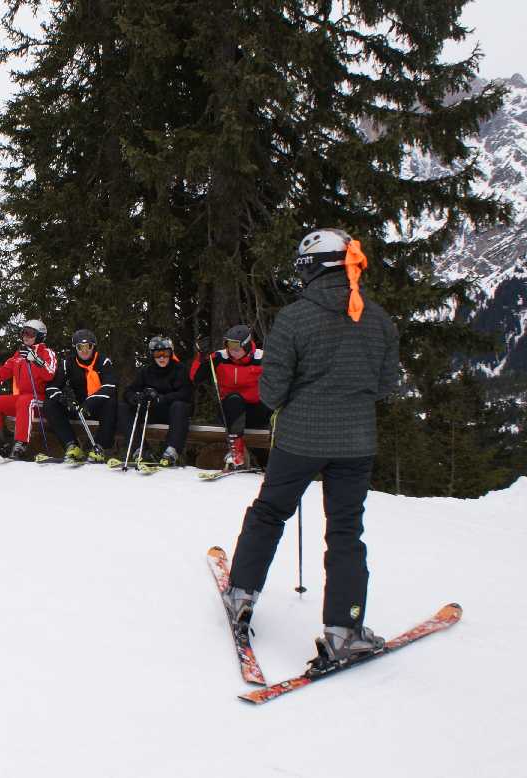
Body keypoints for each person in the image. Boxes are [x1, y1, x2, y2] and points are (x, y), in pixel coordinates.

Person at [224, 228, 400, 667]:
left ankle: (241, 593)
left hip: (301, 438)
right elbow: (386, 385)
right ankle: (344, 630)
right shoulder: (377, 318)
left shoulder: (295, 318)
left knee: (269, 512)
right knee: (346, 531)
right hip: (356, 440)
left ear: (313, 268)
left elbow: (271, 392)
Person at [0, 319, 57, 460]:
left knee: (25, 401)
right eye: (23, 332)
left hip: (41, 399)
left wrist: (35, 359)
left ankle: (21, 444)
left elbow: (50, 373)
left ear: (40, 336)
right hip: (23, 399)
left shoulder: (47, 353)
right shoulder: (18, 356)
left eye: (30, 333)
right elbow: (0, 375)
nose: (25, 336)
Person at [191, 324, 268, 470]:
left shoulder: (263, 358)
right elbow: (195, 378)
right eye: (229, 348)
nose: (232, 352)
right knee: (234, 399)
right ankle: (236, 452)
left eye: (236, 349)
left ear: (246, 346)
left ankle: (266, 464)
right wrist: (202, 357)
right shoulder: (220, 357)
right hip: (230, 413)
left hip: (255, 413)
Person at [44, 329, 118, 462]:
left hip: (97, 407)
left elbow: (110, 386)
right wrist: (63, 399)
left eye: (88, 346)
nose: (84, 350)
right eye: (80, 347)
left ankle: (100, 447)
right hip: (78, 407)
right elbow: (52, 387)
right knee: (50, 404)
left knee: (111, 402)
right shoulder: (68, 363)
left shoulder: (103, 361)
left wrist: (90, 403)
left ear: (93, 346)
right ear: (75, 348)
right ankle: (72, 445)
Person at [120, 335, 195, 467]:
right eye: (157, 354)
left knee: (180, 406)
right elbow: (128, 391)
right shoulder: (146, 371)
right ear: (152, 355)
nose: (162, 358)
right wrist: (135, 397)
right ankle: (140, 450)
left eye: (165, 354)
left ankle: (171, 451)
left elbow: (186, 393)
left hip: (172, 413)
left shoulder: (179, 369)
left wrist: (162, 398)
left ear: (171, 353)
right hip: (151, 411)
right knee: (123, 407)